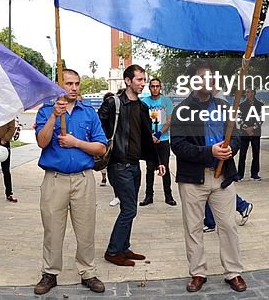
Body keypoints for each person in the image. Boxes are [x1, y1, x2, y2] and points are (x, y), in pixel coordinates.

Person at [170, 62, 247, 293]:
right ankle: (198, 272)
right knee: (193, 228)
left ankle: (233, 272)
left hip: (222, 178)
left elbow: (237, 136)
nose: (210, 80)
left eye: (212, 76)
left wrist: (229, 148)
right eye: (204, 77)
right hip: (193, 180)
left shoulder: (224, 107)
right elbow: (178, 146)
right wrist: (209, 152)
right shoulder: (181, 110)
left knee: (229, 226)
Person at [32, 69, 107, 295]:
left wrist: (76, 142)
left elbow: (101, 148)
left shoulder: (89, 113)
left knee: (85, 228)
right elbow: (41, 142)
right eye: (68, 83)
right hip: (55, 179)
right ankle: (50, 273)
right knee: (53, 229)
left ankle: (88, 272)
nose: (73, 88)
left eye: (76, 83)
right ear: (58, 85)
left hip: (83, 179)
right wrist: (54, 116)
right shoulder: (46, 111)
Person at [96, 64, 163, 266]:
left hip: (134, 166)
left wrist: (157, 162)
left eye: (144, 80)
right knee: (129, 211)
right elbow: (96, 126)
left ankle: (123, 248)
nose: (143, 84)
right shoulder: (113, 104)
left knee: (130, 208)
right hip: (118, 165)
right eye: (139, 80)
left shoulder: (142, 107)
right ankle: (113, 251)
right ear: (127, 81)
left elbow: (146, 138)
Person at [140, 78, 176, 206]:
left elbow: (169, 120)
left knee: (164, 167)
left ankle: (169, 196)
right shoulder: (144, 102)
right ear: (149, 88)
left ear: (160, 87)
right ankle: (149, 196)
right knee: (150, 168)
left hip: (163, 140)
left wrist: (159, 133)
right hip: (150, 141)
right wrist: (150, 136)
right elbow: (141, 122)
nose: (155, 88)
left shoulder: (166, 102)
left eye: (157, 86)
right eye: (152, 86)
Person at [236, 89, 262, 182]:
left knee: (256, 153)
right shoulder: (242, 105)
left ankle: (254, 174)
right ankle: (240, 174)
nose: (247, 94)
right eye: (246, 92)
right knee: (242, 153)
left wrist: (253, 128)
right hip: (244, 132)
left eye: (248, 92)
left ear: (253, 93)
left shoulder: (259, 105)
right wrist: (246, 128)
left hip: (256, 132)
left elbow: (260, 118)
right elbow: (239, 118)